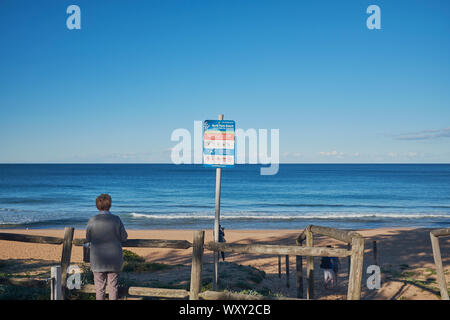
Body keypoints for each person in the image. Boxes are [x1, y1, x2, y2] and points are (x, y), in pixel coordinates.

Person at [86, 194, 128, 300]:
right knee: (113, 287)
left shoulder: (92, 220)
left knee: (99, 288)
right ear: (110, 205)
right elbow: (124, 237)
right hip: (114, 259)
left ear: (97, 206)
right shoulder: (116, 219)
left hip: (97, 259)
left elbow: (88, 238)